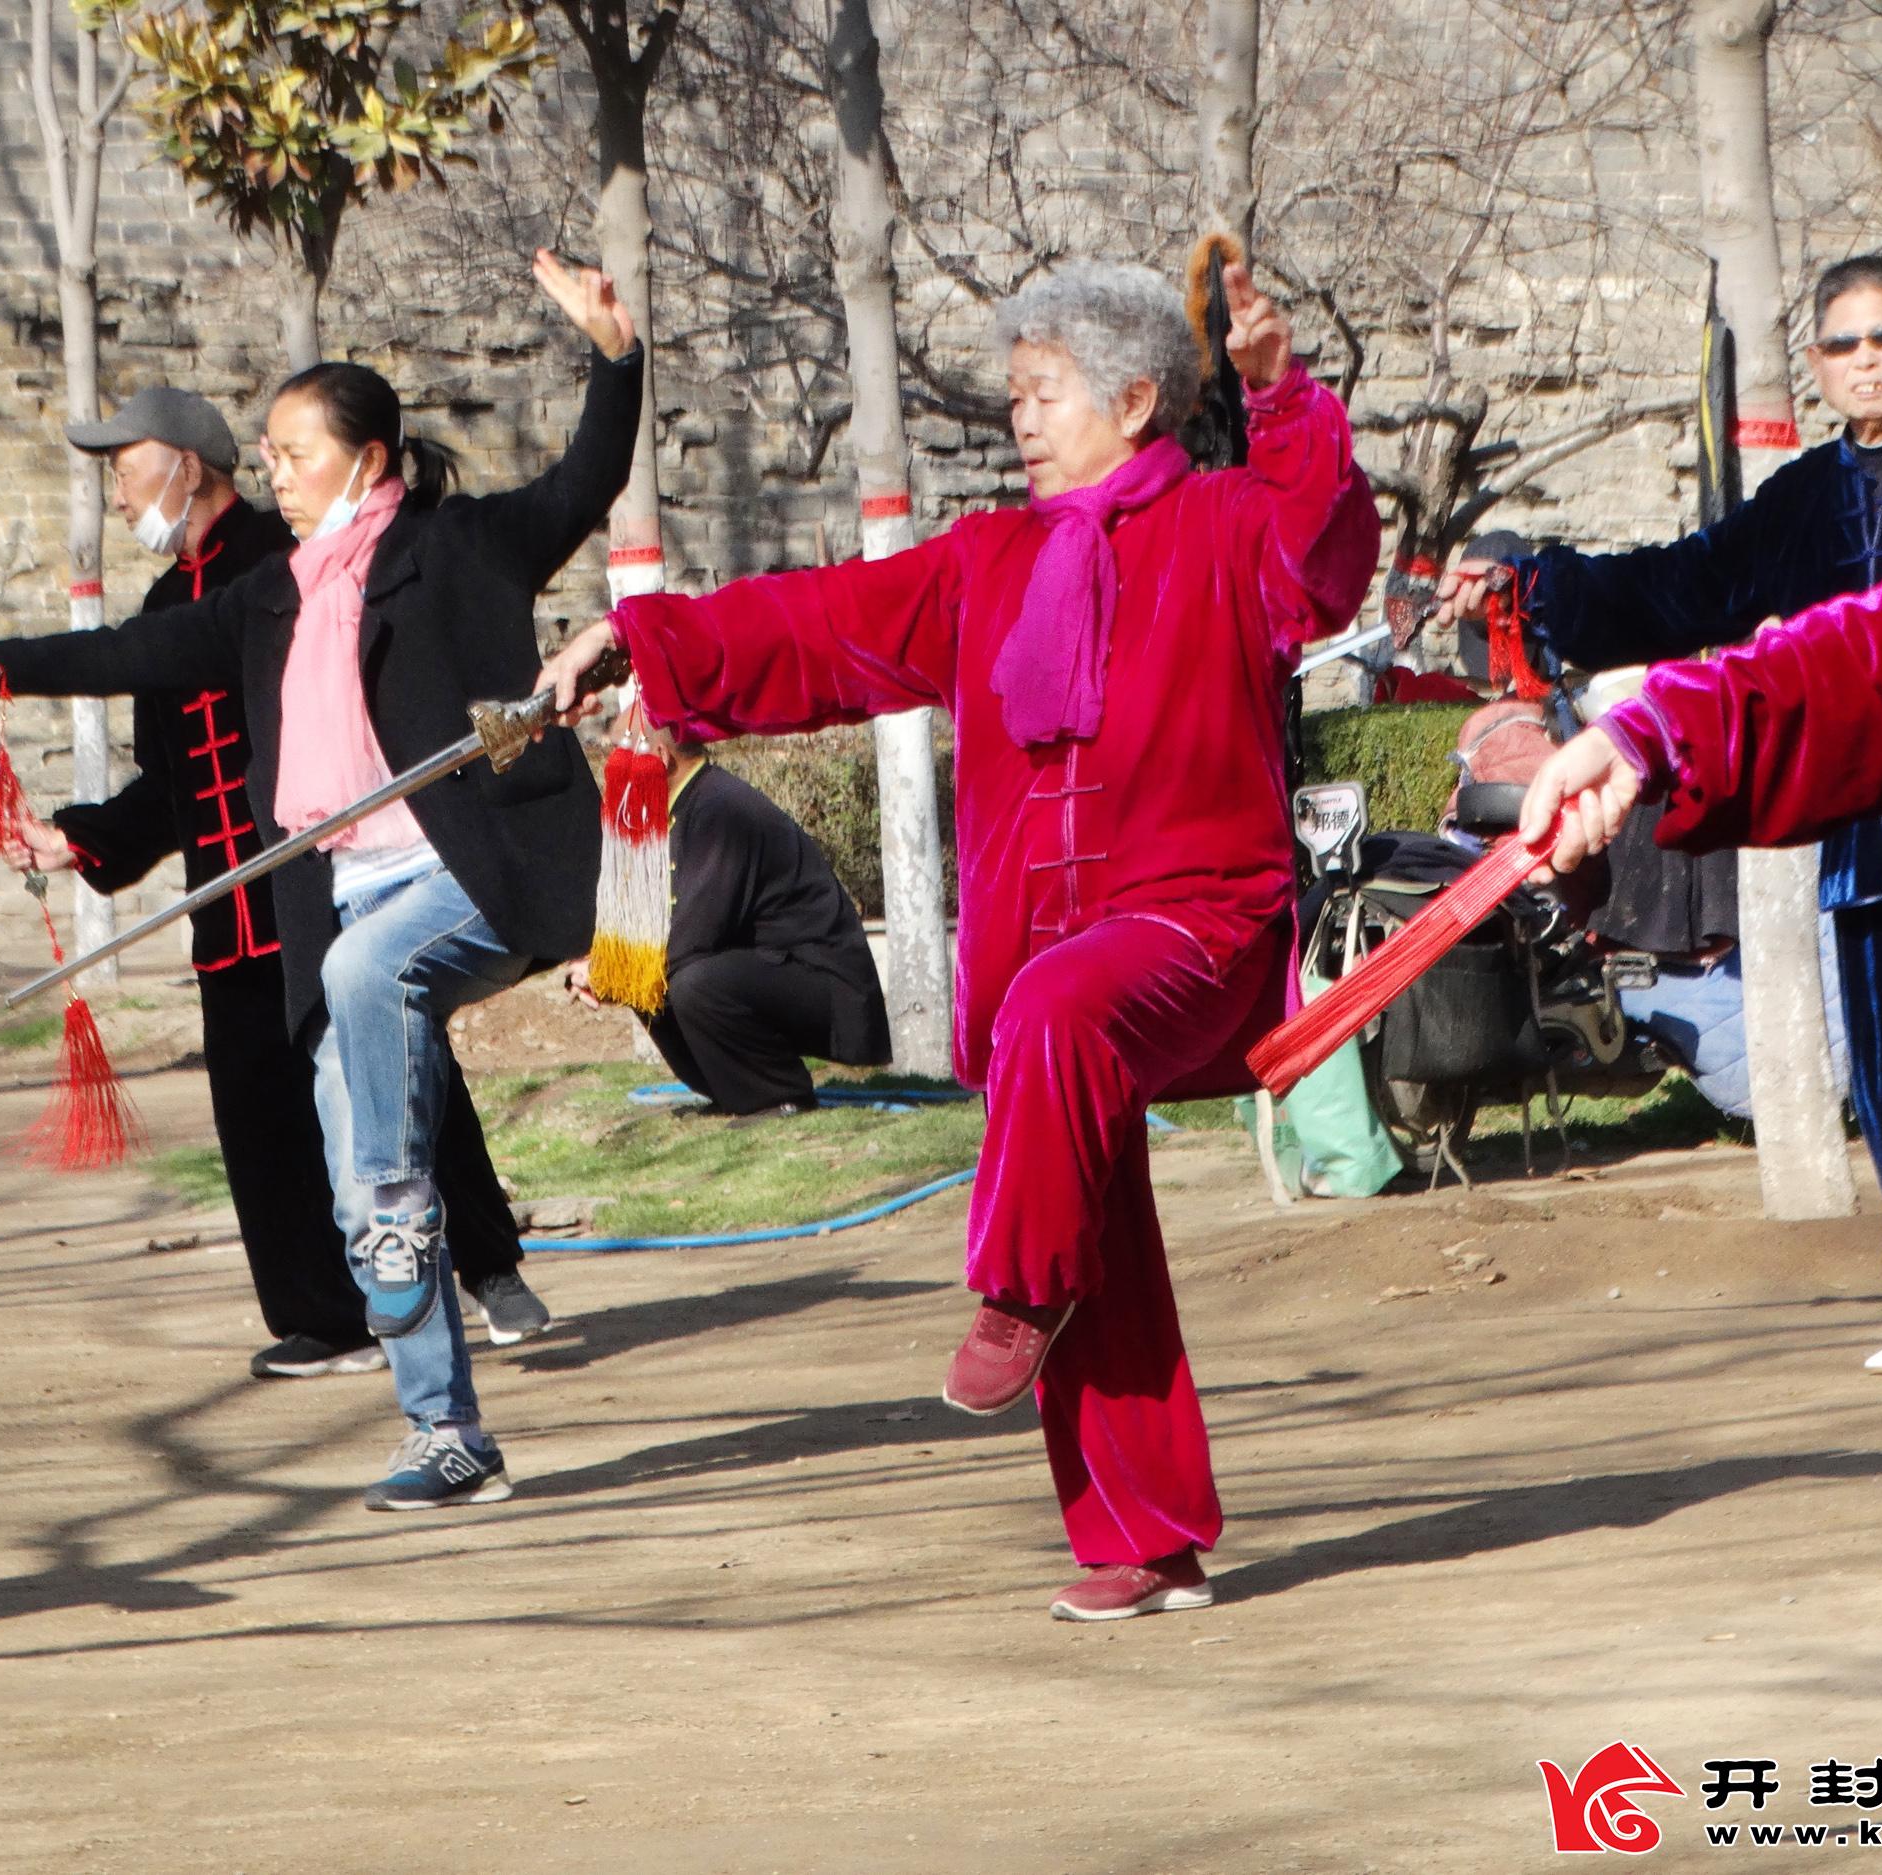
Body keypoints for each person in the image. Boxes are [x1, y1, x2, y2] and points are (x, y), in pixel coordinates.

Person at [539, 259, 1379, 1619]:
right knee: (1085, 1179)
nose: (1021, 422)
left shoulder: (1227, 526)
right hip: (1046, 968)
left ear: (1136, 400)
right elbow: (824, 625)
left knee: (1057, 1036)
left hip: (1196, 926)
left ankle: (1014, 1283)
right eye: (1017, 398)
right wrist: (640, 639)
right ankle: (1142, 1539)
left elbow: (1323, 553)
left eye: (1044, 395)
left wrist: (1280, 394)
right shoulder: (990, 560)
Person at [0, 252, 638, 1511]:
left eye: (294, 451)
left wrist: (614, 356)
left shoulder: (457, 547)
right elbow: (129, 651)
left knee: (367, 998)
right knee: (356, 1171)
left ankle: (414, 1221)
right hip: (334, 893)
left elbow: (586, 479)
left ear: (366, 454)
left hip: (465, 876)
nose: (275, 472)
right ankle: (445, 1431)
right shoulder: (270, 595)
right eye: (273, 453)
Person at [1433, 254, 1882, 1376]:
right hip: (1858, 800)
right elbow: (1686, 588)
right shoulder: (1798, 500)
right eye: (1843, 345)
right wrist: (1538, 591)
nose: (1866, 363)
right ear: (1814, 364)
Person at [1, 385, 550, 1381]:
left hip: (327, 887)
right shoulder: (168, 611)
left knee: (403, 1082)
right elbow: (172, 789)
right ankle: (325, 1315)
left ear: (185, 462)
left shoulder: (287, 567)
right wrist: (75, 840)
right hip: (229, 912)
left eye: (125, 471)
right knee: (257, 1118)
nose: (118, 499)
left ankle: (491, 1265)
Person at [1517, 489, 1882, 1407]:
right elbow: (1869, 651)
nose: (1867, 355)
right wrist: (1652, 731)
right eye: (1846, 340)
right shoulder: (1823, 498)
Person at [565, 738, 891, 1118]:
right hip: (766, 971)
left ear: (660, 753)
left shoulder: (721, 809)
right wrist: (598, 970)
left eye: (619, 752)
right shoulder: (678, 808)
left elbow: (696, 933)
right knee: (644, 980)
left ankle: (777, 1097)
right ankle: (731, 1092)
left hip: (827, 990)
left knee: (690, 978)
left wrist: (609, 973)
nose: (612, 766)